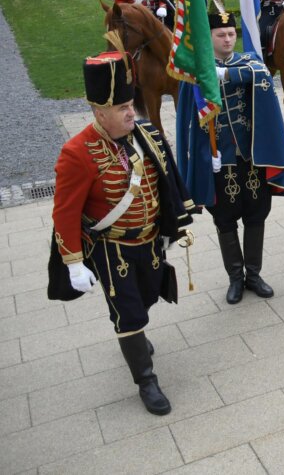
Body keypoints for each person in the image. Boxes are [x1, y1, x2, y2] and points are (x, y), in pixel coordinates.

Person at [49, 48, 194, 415]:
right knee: (127, 313)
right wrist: (74, 263)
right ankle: (146, 380)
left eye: (132, 103)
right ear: (99, 113)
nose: (132, 112)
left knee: (146, 298)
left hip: (149, 240)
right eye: (122, 108)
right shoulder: (76, 152)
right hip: (112, 249)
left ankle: (136, 337)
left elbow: (165, 181)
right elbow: (65, 212)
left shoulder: (143, 133)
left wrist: (170, 226)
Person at [198, 9, 284, 304]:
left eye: (231, 34)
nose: (228, 40)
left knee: (256, 214)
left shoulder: (248, 61)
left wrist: (227, 73)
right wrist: (205, 155)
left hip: (251, 158)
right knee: (225, 220)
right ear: (209, 37)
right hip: (220, 159)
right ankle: (236, 278)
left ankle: (253, 274)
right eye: (221, 35)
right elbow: (190, 119)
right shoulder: (198, 70)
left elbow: (261, 73)